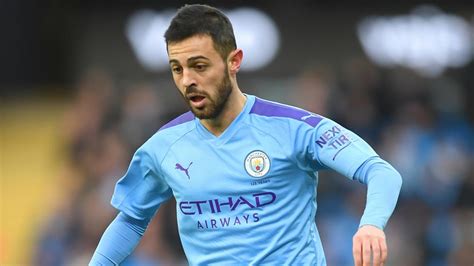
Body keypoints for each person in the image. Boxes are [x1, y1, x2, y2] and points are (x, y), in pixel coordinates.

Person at [90, 4, 402, 265]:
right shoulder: (163, 147)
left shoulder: (294, 129)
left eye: (199, 66)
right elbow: (131, 220)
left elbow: (380, 171)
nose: (188, 81)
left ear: (234, 61)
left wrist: (371, 224)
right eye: (177, 68)